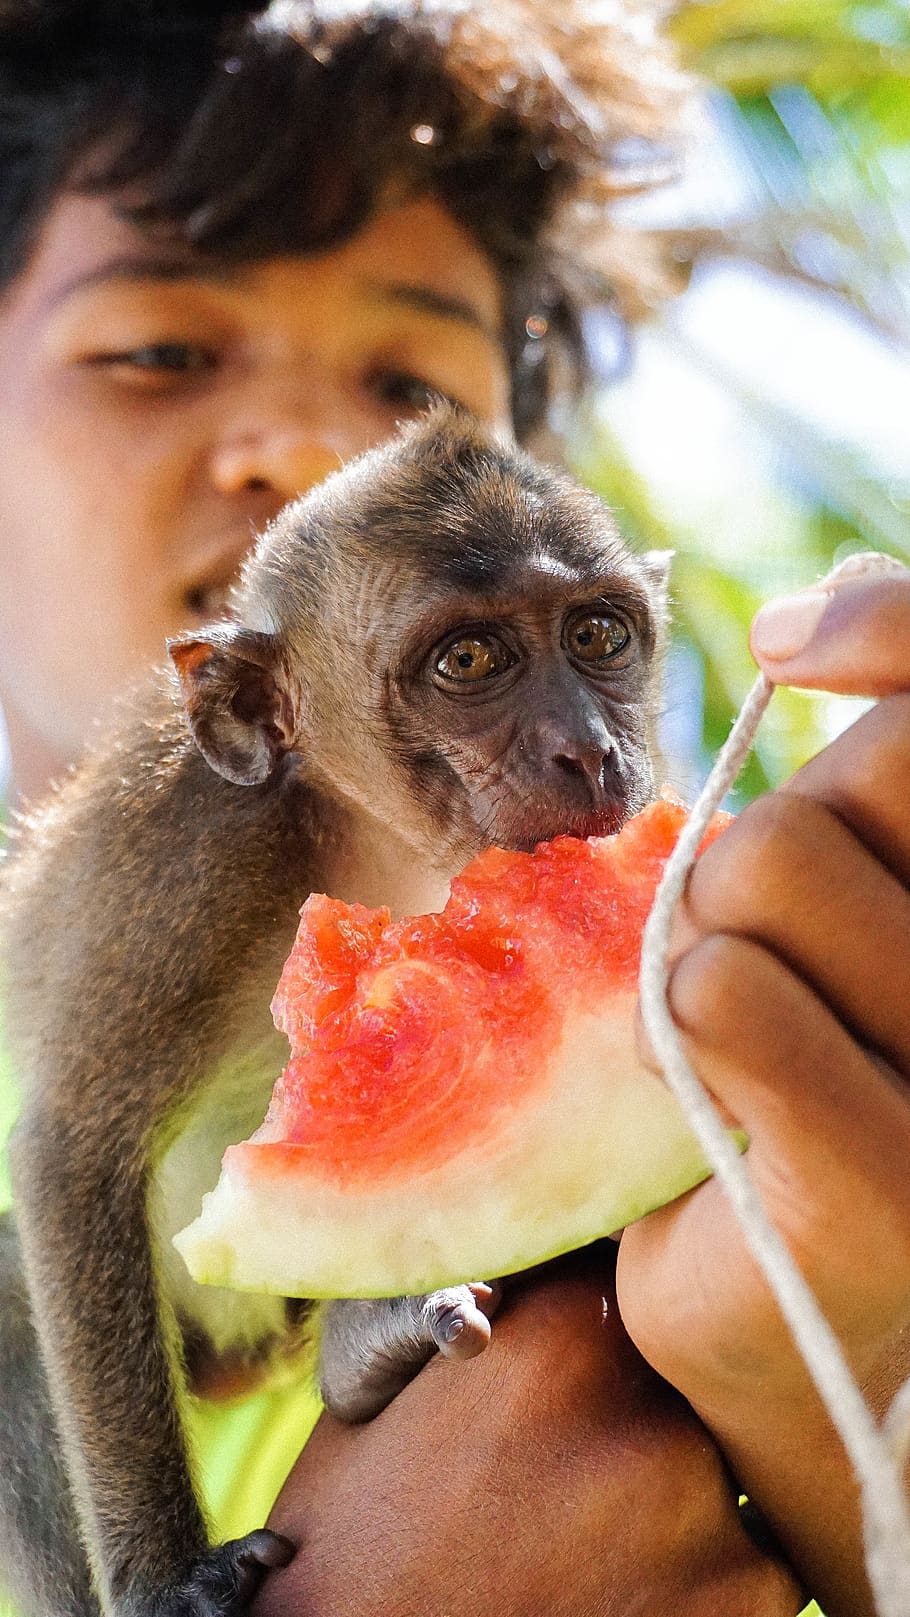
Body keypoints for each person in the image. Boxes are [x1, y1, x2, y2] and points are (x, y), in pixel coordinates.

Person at [0, 2, 905, 1614]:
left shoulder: (707, 902)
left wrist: (821, 1419)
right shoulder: (186, 858)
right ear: (252, 704)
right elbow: (77, 1161)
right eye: (158, 351)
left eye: (407, 376)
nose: (301, 451)